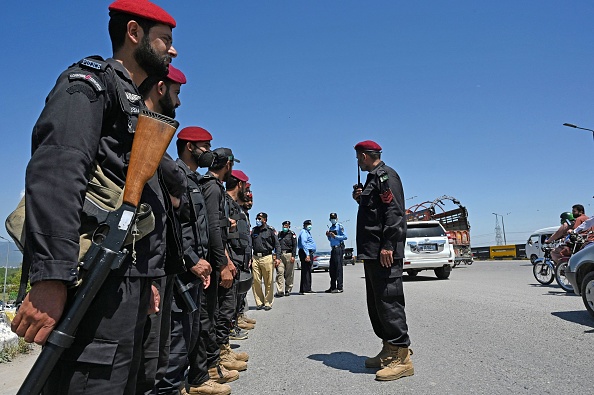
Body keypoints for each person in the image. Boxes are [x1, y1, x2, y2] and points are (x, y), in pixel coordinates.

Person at [11, 1, 178, 393]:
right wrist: (51, 276)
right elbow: (57, 175)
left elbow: (138, 205)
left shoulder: (133, 103)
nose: (172, 51)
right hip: (91, 280)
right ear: (134, 33)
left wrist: (146, 275)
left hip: (125, 282)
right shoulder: (88, 85)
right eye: (165, 41)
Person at [137, 64, 188, 395]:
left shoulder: (155, 137)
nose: (179, 102)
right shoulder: (136, 129)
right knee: (141, 362)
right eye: (176, 93)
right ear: (159, 88)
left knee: (155, 357)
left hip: (155, 266)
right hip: (136, 267)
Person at [352, 140, 414, 382]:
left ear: (366, 156)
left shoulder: (386, 176)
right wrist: (360, 199)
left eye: (358, 157)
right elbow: (376, 211)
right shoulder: (372, 179)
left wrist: (389, 244)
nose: (357, 161)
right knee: (377, 303)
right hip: (372, 252)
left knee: (389, 301)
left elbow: (394, 212)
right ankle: (389, 349)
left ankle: (402, 357)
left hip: (384, 252)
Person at [251, 212, 282, 310]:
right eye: (257, 218)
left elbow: (277, 245)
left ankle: (268, 302)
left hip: (267, 257)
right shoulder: (254, 230)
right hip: (255, 257)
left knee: (268, 281)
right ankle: (259, 302)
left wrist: (277, 258)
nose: (258, 220)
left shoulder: (270, 230)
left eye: (260, 218)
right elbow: (249, 245)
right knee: (255, 281)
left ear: (265, 220)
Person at [325, 213, 348, 294]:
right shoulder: (331, 227)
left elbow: (345, 237)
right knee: (332, 268)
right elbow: (330, 240)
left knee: (338, 268)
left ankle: (339, 287)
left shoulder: (340, 226)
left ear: (337, 218)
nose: (333, 219)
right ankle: (333, 286)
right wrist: (328, 236)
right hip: (333, 248)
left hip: (339, 248)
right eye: (331, 218)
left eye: (334, 218)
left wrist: (336, 236)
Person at [276, 220, 298, 296]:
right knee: (280, 272)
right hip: (281, 255)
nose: (285, 227)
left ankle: (288, 289)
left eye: (287, 226)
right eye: (284, 226)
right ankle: (280, 290)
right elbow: (276, 245)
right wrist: (276, 256)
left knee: (289, 274)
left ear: (289, 227)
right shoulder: (279, 234)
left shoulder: (292, 234)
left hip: (289, 255)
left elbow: (295, 246)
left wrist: (293, 256)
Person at [298, 220, 316, 294]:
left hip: (307, 252)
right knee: (306, 271)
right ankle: (306, 289)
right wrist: (307, 254)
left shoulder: (307, 232)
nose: (310, 226)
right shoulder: (304, 232)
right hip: (306, 253)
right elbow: (303, 243)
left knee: (307, 270)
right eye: (308, 224)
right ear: (305, 225)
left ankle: (304, 288)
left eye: (310, 224)